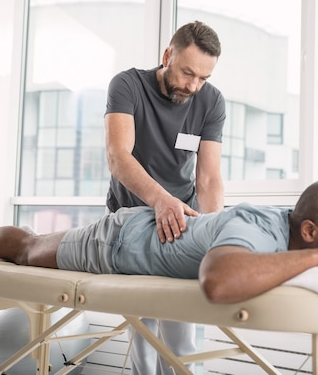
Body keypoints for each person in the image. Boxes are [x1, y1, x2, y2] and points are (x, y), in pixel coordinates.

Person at [0, 179, 318, 306]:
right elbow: (217, 282)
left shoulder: (305, 235)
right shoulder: (255, 226)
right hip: (120, 240)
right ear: (311, 233)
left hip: (148, 240)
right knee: (27, 247)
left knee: (30, 246)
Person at [104, 20, 226, 373]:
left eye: (203, 78)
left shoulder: (211, 101)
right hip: (131, 222)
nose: (193, 86)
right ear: (167, 55)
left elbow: (208, 176)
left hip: (183, 220)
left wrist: (212, 227)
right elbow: (118, 156)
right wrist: (159, 201)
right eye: (187, 73)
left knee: (181, 331)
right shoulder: (127, 85)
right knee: (143, 332)